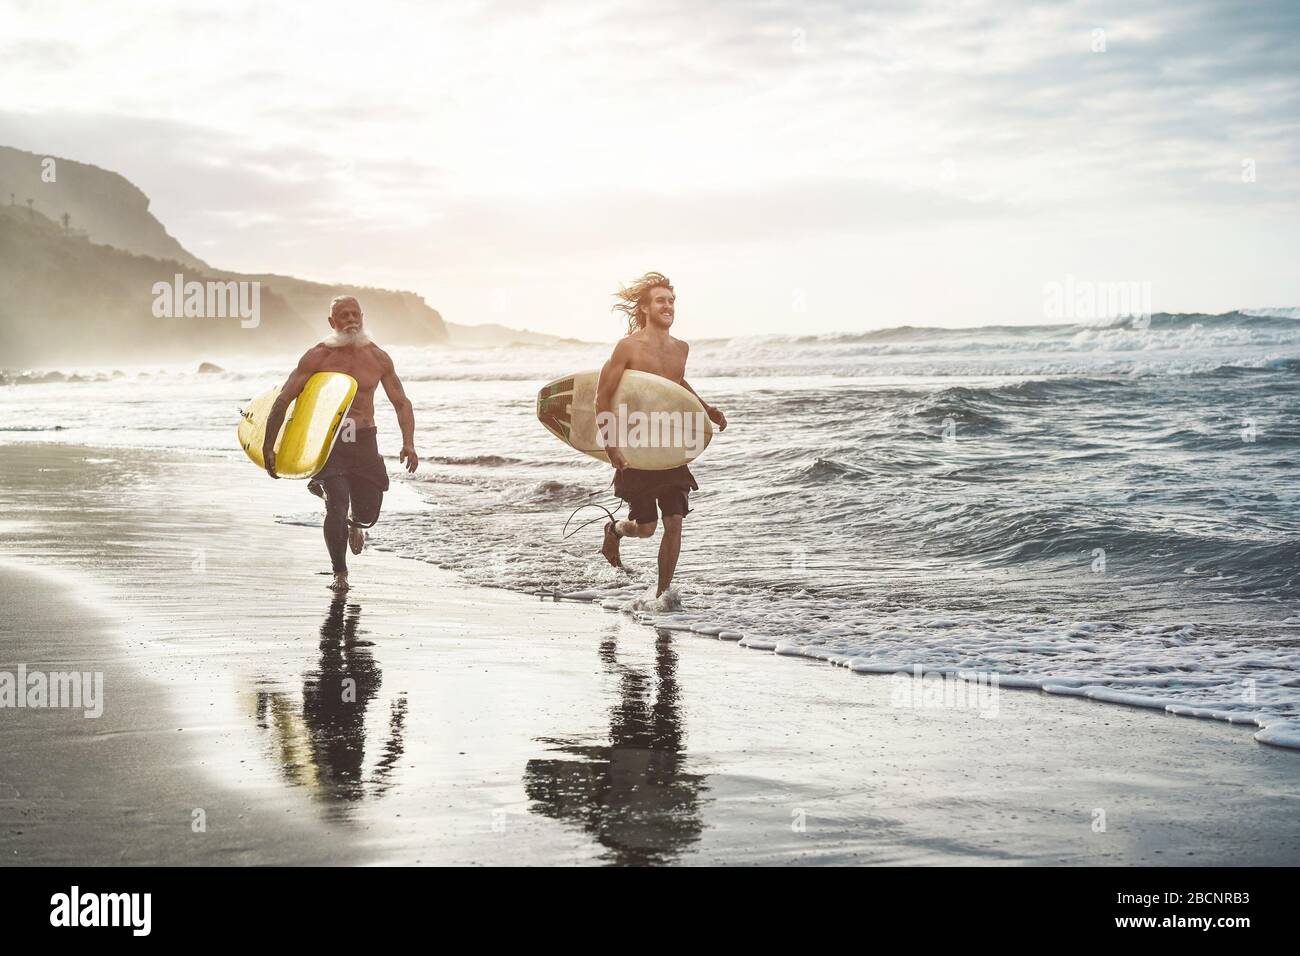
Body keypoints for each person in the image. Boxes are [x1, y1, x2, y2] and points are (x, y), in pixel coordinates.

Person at [263, 295, 419, 591]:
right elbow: (284, 399)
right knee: (337, 505)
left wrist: (408, 443)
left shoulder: (378, 358)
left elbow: (401, 403)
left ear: (362, 317)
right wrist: (270, 445)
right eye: (343, 316)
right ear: (331, 322)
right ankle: (340, 573)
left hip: (363, 441)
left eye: (354, 314)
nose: (350, 320)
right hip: (330, 440)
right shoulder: (318, 357)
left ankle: (356, 525)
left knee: (369, 511)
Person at [595, 272, 726, 597]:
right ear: (644, 308)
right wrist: (612, 446)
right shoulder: (627, 348)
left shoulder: (680, 348)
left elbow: (675, 385)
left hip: (670, 445)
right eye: (660, 301)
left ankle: (662, 596)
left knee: (675, 521)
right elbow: (602, 396)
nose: (668, 306)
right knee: (646, 528)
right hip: (638, 446)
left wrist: (705, 408)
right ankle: (615, 529)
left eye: (671, 301)